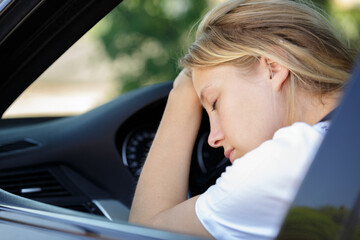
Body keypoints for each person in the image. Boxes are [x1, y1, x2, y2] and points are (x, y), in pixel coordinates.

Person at [128, 0, 354, 239]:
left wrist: (182, 92)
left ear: (273, 68)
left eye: (214, 103)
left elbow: (144, 232)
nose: (213, 138)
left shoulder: (280, 163)